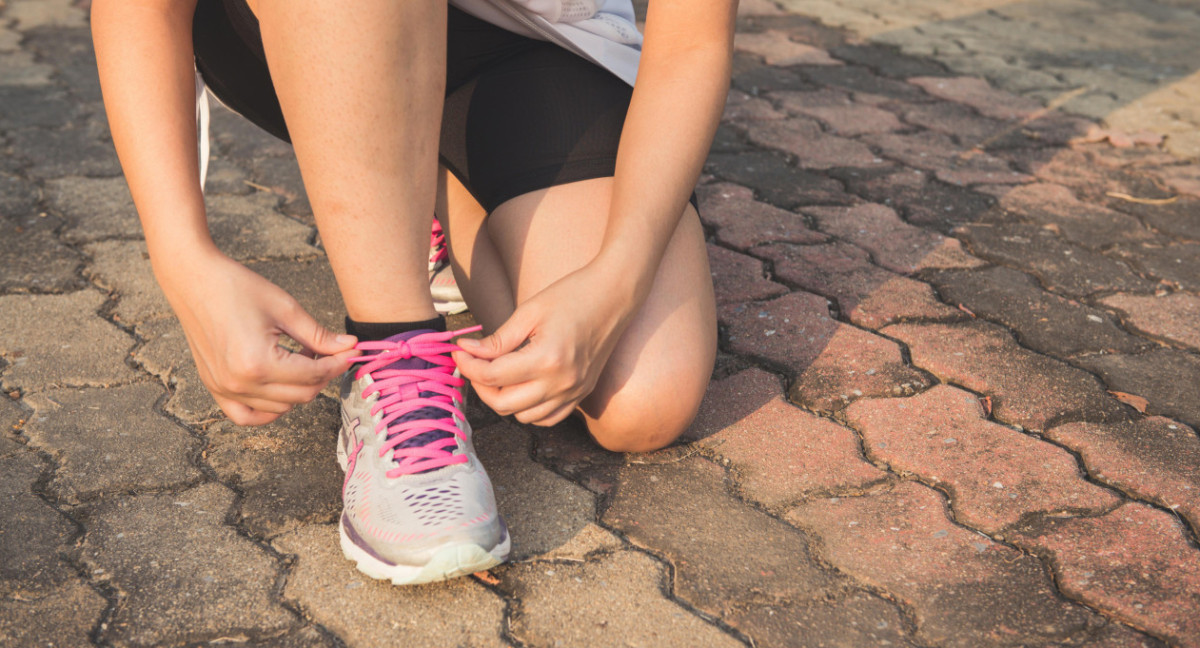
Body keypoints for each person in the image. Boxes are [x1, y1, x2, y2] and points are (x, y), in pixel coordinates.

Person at [91, 0, 732, 584]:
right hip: (312, 22)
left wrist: (616, 279)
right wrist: (183, 259)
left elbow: (693, 42)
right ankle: (395, 346)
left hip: (536, 42)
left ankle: (420, 180)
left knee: (640, 397)